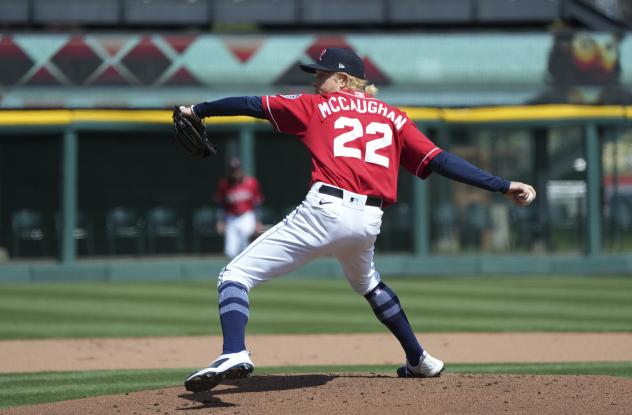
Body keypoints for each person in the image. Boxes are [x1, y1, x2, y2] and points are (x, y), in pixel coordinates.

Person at [180, 47, 536, 392]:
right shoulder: (394, 116)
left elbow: (251, 105)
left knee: (235, 275)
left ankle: (233, 352)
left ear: (343, 79)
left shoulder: (318, 106)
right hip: (368, 220)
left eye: (321, 74)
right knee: (368, 282)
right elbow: (441, 160)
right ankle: (420, 359)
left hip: (325, 210)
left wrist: (200, 109)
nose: (315, 81)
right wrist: (503, 185)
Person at [214, 157, 264, 259]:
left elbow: (257, 204)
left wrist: (258, 221)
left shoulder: (251, 182)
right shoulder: (224, 184)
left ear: (241, 169)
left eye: (237, 169)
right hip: (231, 218)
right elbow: (220, 204)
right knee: (230, 251)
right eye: (233, 170)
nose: (235, 172)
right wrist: (220, 221)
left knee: (247, 248)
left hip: (247, 216)